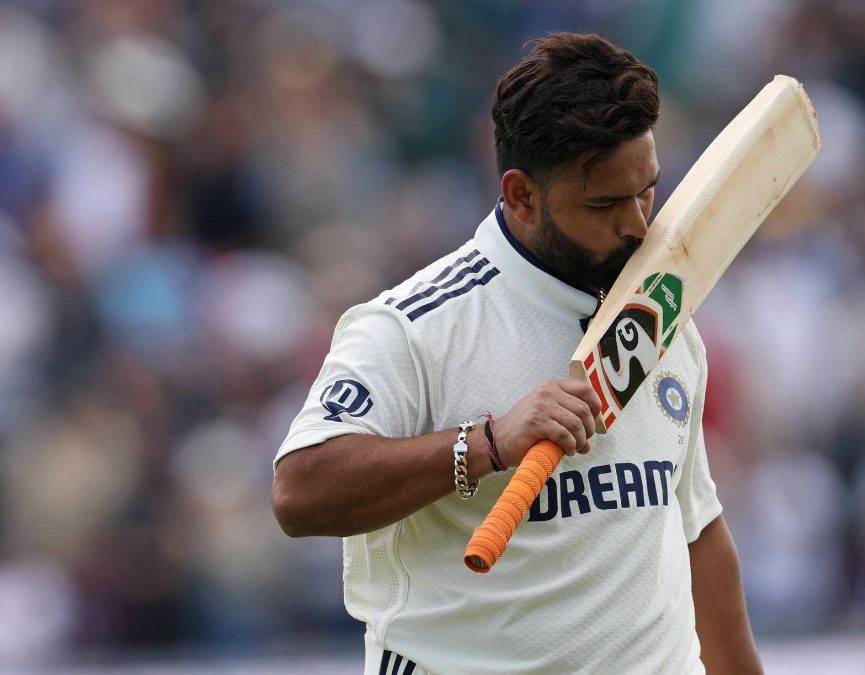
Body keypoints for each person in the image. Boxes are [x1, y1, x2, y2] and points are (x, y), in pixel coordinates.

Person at [271, 31, 761, 675]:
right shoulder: (415, 326)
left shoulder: (661, 313)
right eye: (605, 204)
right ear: (521, 195)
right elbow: (299, 493)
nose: (639, 226)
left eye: (646, 191)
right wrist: (490, 444)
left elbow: (697, 531)